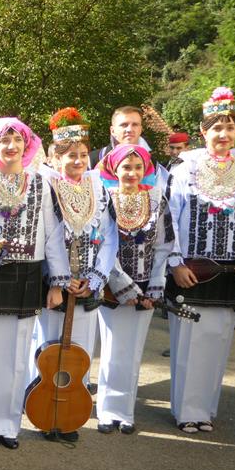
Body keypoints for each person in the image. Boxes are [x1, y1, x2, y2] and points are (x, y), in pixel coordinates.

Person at [166, 87, 235, 434]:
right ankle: (186, 410)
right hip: (191, 269)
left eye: (230, 129)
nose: (224, 135)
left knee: (218, 339)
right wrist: (176, 262)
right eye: (216, 128)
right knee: (189, 340)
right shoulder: (184, 168)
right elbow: (170, 218)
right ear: (203, 132)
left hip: (230, 270)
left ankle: (205, 409)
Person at [0, 117, 69, 450]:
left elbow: (53, 234)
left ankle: (8, 425)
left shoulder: (42, 183)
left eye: (17, 140)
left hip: (29, 273)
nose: (11, 146)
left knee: (17, 354)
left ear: (27, 144)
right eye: (4, 140)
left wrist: (56, 282)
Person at [33, 108, 118, 441]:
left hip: (88, 282)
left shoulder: (99, 188)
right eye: (70, 155)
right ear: (55, 157)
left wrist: (96, 277)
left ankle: (69, 416)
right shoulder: (47, 186)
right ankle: (42, 411)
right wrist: (58, 277)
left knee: (81, 349)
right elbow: (43, 235)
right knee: (46, 347)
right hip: (55, 283)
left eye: (83, 154)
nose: (78, 160)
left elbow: (110, 236)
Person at [95, 145, 173, 434]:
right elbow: (103, 244)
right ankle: (106, 411)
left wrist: (155, 285)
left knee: (134, 350)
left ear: (146, 170)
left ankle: (126, 412)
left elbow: (164, 245)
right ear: (114, 169)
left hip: (145, 288)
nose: (132, 173)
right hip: (113, 288)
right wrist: (121, 285)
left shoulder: (157, 199)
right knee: (113, 348)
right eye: (126, 167)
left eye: (138, 168)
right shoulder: (105, 198)